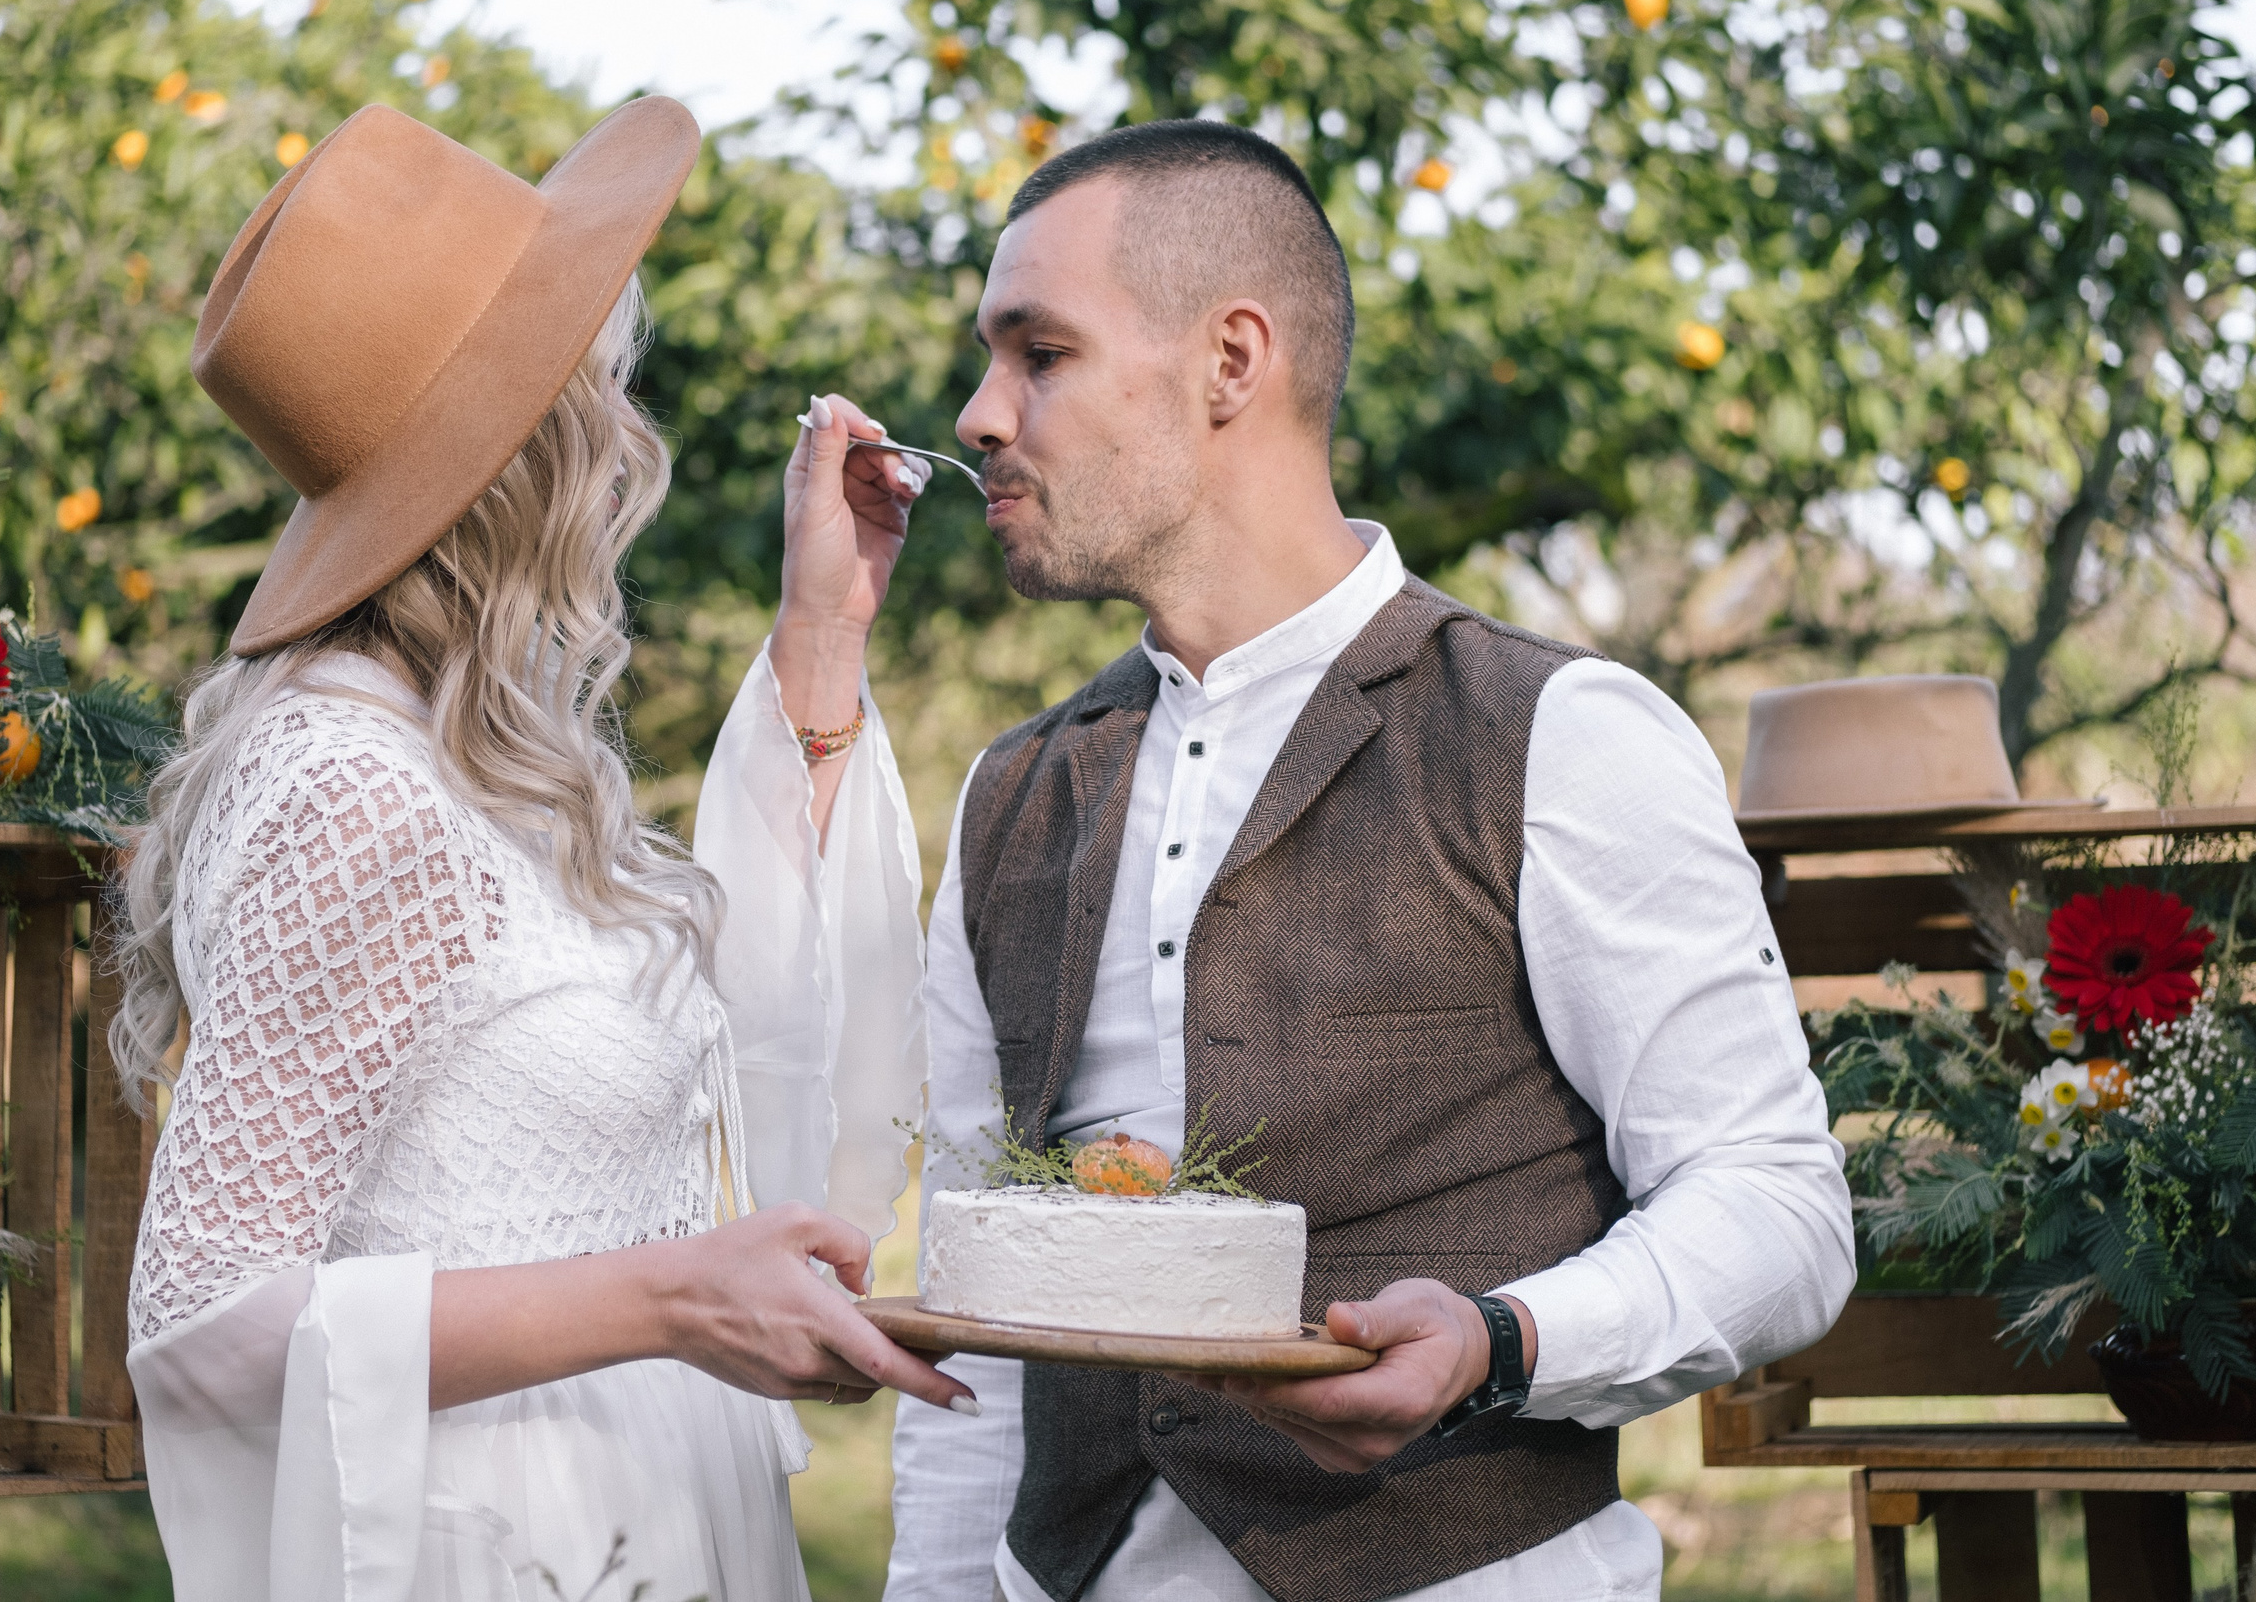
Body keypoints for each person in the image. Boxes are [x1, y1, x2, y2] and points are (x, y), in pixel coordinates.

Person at [877, 120, 1857, 1601]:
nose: (979, 413)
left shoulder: (1557, 733)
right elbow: (975, 1320)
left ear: (1231, 361)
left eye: (1042, 353)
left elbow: (1778, 1207)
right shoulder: (1013, 793)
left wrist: (1505, 1342)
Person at [109, 97, 969, 1602]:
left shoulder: (468, 753)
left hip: (635, 1507)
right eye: (600, 385)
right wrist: (667, 1302)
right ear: (530, 446)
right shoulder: (352, 785)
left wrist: (822, 635)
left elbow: (729, 1038)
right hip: (502, 1548)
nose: (632, 435)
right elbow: (203, 1324)